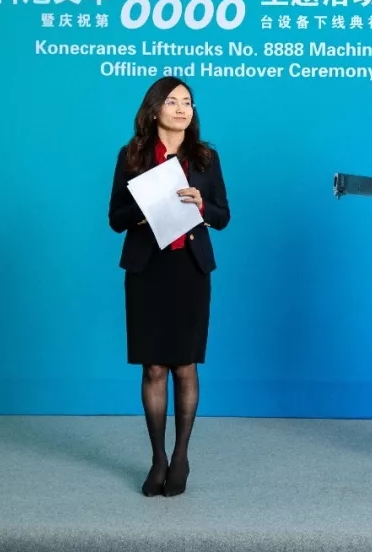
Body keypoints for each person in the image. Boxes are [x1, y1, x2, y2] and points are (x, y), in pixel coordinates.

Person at [107, 77, 231, 497]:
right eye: (173, 101)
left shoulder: (206, 157)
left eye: (188, 102)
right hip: (148, 269)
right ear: (155, 108)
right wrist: (143, 209)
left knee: (184, 366)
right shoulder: (132, 155)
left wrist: (202, 205)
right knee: (154, 367)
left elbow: (224, 215)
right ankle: (157, 458)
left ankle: (180, 458)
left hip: (190, 270)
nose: (182, 109)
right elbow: (115, 218)